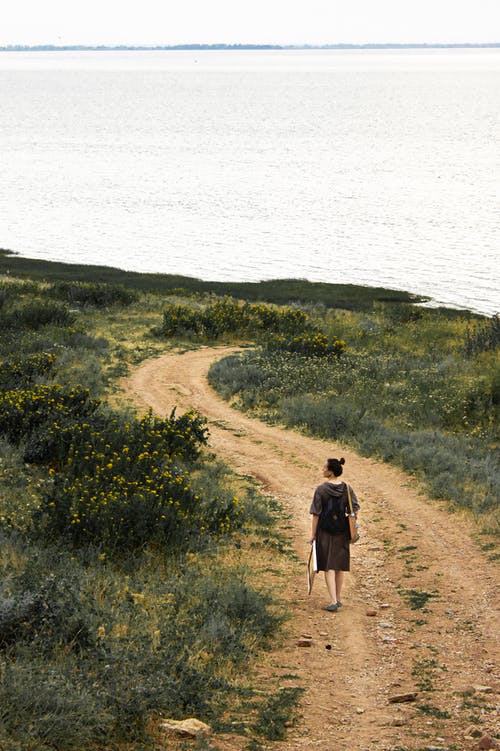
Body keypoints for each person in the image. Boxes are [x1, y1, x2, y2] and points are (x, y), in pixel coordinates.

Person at [309, 457, 360, 612]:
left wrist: (313, 535)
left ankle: (332, 601)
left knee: (328, 566)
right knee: (339, 566)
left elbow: (316, 514)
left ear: (330, 472)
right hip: (342, 531)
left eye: (324, 468)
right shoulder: (347, 488)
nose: (322, 469)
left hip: (325, 530)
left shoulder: (321, 489)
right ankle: (338, 598)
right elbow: (355, 508)